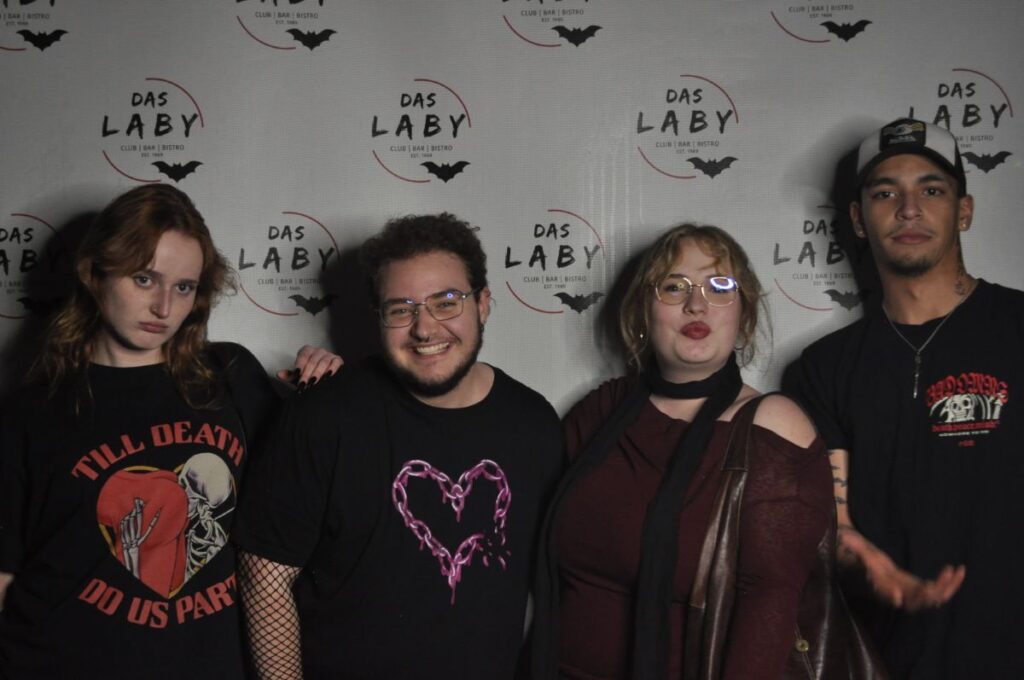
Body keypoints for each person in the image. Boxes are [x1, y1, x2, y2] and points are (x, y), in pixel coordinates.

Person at [0, 184, 340, 679]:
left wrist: (327, 395)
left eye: (183, 287)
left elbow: (303, 509)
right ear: (95, 273)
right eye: (144, 279)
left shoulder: (231, 377)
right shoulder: (30, 411)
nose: (164, 307)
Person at [233, 213, 563, 679]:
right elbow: (264, 576)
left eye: (446, 302)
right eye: (401, 309)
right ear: (379, 318)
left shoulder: (534, 424)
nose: (425, 329)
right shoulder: (322, 416)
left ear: (483, 304)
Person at [530, 224, 834, 679]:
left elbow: (767, 609)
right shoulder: (602, 411)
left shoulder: (774, 429)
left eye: (719, 286)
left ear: (744, 314)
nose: (697, 304)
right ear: (643, 312)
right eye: (674, 287)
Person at [794, 118, 1023, 679]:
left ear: (964, 211)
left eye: (932, 190)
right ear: (858, 220)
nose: (909, 209)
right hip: (887, 661)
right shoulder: (823, 369)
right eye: (885, 193)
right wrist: (860, 558)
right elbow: (836, 524)